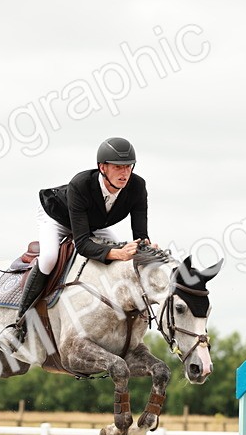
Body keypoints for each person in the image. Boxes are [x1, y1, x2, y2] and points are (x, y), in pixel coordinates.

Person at [10, 137, 156, 343]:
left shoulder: (138, 186)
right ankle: (20, 321)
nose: (125, 173)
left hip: (94, 223)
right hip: (56, 217)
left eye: (128, 167)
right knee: (50, 257)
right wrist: (118, 253)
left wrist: (146, 248)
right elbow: (83, 243)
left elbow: (140, 236)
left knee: (122, 253)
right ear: (102, 167)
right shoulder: (81, 184)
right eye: (118, 167)